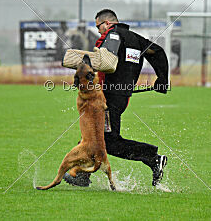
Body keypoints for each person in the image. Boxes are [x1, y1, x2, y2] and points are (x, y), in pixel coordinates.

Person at [64, 9, 169, 187]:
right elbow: (158, 52)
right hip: (122, 96)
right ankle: (81, 175)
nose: (98, 31)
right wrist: (162, 80)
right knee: (94, 135)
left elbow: (106, 63)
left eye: (99, 26)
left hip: (108, 98)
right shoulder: (137, 39)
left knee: (108, 141)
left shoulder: (112, 35)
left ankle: (152, 157)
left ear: (107, 23)